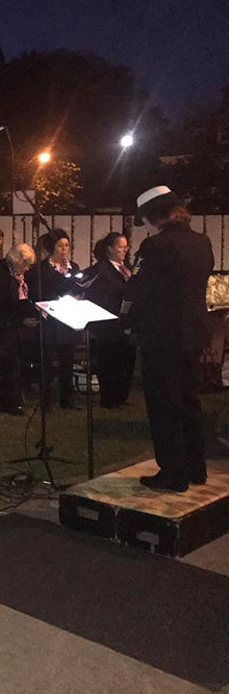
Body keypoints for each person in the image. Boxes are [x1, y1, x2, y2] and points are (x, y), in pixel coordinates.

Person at [121, 186, 214, 492]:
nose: (145, 228)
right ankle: (195, 468)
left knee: (164, 404)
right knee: (189, 401)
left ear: (154, 216)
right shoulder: (202, 242)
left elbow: (137, 291)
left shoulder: (155, 247)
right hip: (194, 334)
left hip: (162, 336)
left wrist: (127, 322)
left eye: (145, 220)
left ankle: (172, 472)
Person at [0, 242, 36, 419]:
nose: (27, 269)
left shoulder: (17, 275)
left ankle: (10, 402)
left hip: (13, 329)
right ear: (16, 260)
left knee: (13, 367)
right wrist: (21, 315)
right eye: (25, 264)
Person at [29, 228, 80, 410]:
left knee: (67, 360)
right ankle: (46, 400)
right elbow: (37, 292)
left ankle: (67, 400)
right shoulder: (41, 268)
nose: (64, 249)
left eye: (66, 245)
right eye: (59, 245)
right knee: (47, 362)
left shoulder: (73, 267)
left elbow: (78, 287)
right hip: (49, 319)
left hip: (67, 319)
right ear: (52, 248)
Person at [83, 232, 136, 409]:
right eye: (120, 246)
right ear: (109, 249)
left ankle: (122, 395)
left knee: (127, 359)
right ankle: (109, 397)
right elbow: (97, 294)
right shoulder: (101, 270)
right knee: (109, 360)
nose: (124, 250)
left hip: (127, 321)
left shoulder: (127, 267)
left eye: (125, 246)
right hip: (108, 323)